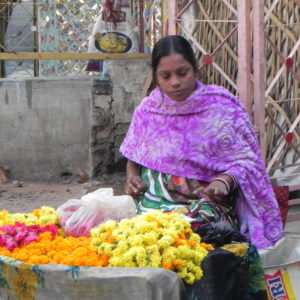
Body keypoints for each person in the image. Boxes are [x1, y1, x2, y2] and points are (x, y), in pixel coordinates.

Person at [120, 34, 284, 298]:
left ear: (196, 69)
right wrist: (132, 180)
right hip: (154, 204)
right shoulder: (148, 110)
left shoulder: (221, 108)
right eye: (166, 76)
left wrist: (223, 182)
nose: (175, 82)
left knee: (194, 235)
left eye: (182, 73)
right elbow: (134, 157)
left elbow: (248, 161)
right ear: (156, 76)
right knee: (137, 239)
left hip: (207, 205)